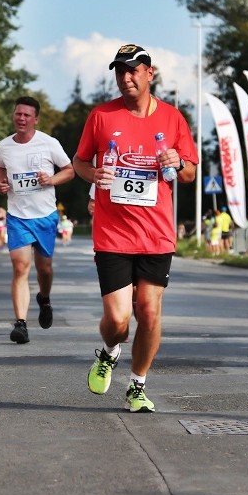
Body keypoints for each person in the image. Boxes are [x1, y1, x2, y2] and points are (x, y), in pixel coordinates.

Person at [72, 43, 198, 413]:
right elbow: (79, 162)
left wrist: (178, 160)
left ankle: (137, 385)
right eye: (119, 71)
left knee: (150, 311)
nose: (125, 77)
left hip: (157, 234)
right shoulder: (101, 116)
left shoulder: (173, 119)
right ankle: (110, 351)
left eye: (133, 70)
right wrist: (93, 173)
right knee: (117, 318)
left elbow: (189, 173)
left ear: (149, 73)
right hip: (113, 233)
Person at [0, 96, 75, 344]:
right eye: (18, 114)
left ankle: (45, 298)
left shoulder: (49, 143)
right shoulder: (4, 146)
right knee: (20, 267)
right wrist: (2, 182)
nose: (21, 118)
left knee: (44, 270)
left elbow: (70, 170)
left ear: (35, 119)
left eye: (27, 115)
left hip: (45, 216)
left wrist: (51, 180)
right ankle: (21, 323)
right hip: (18, 216)